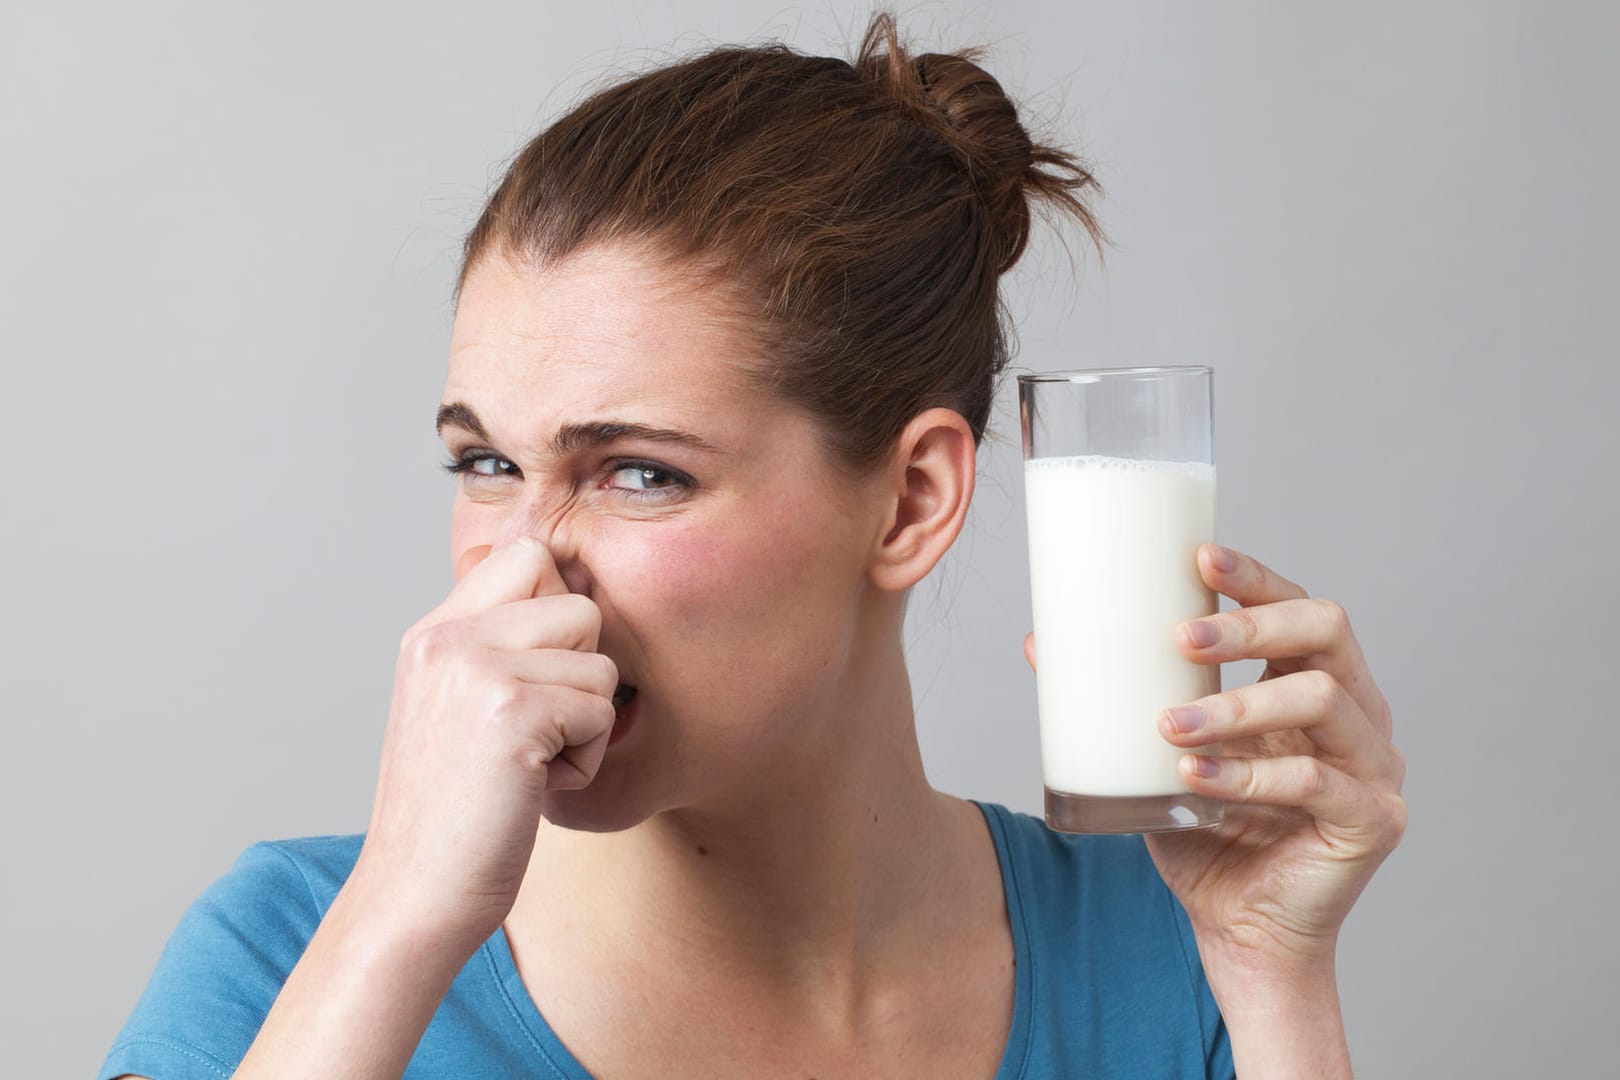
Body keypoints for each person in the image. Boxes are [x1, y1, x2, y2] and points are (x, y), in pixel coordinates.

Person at [100, 13, 1405, 1079]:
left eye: (640, 473)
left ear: (908, 505)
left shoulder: (1165, 949)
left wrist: (1273, 982)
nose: (519, 569)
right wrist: (396, 925)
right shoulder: (292, 963)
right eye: (487, 464)